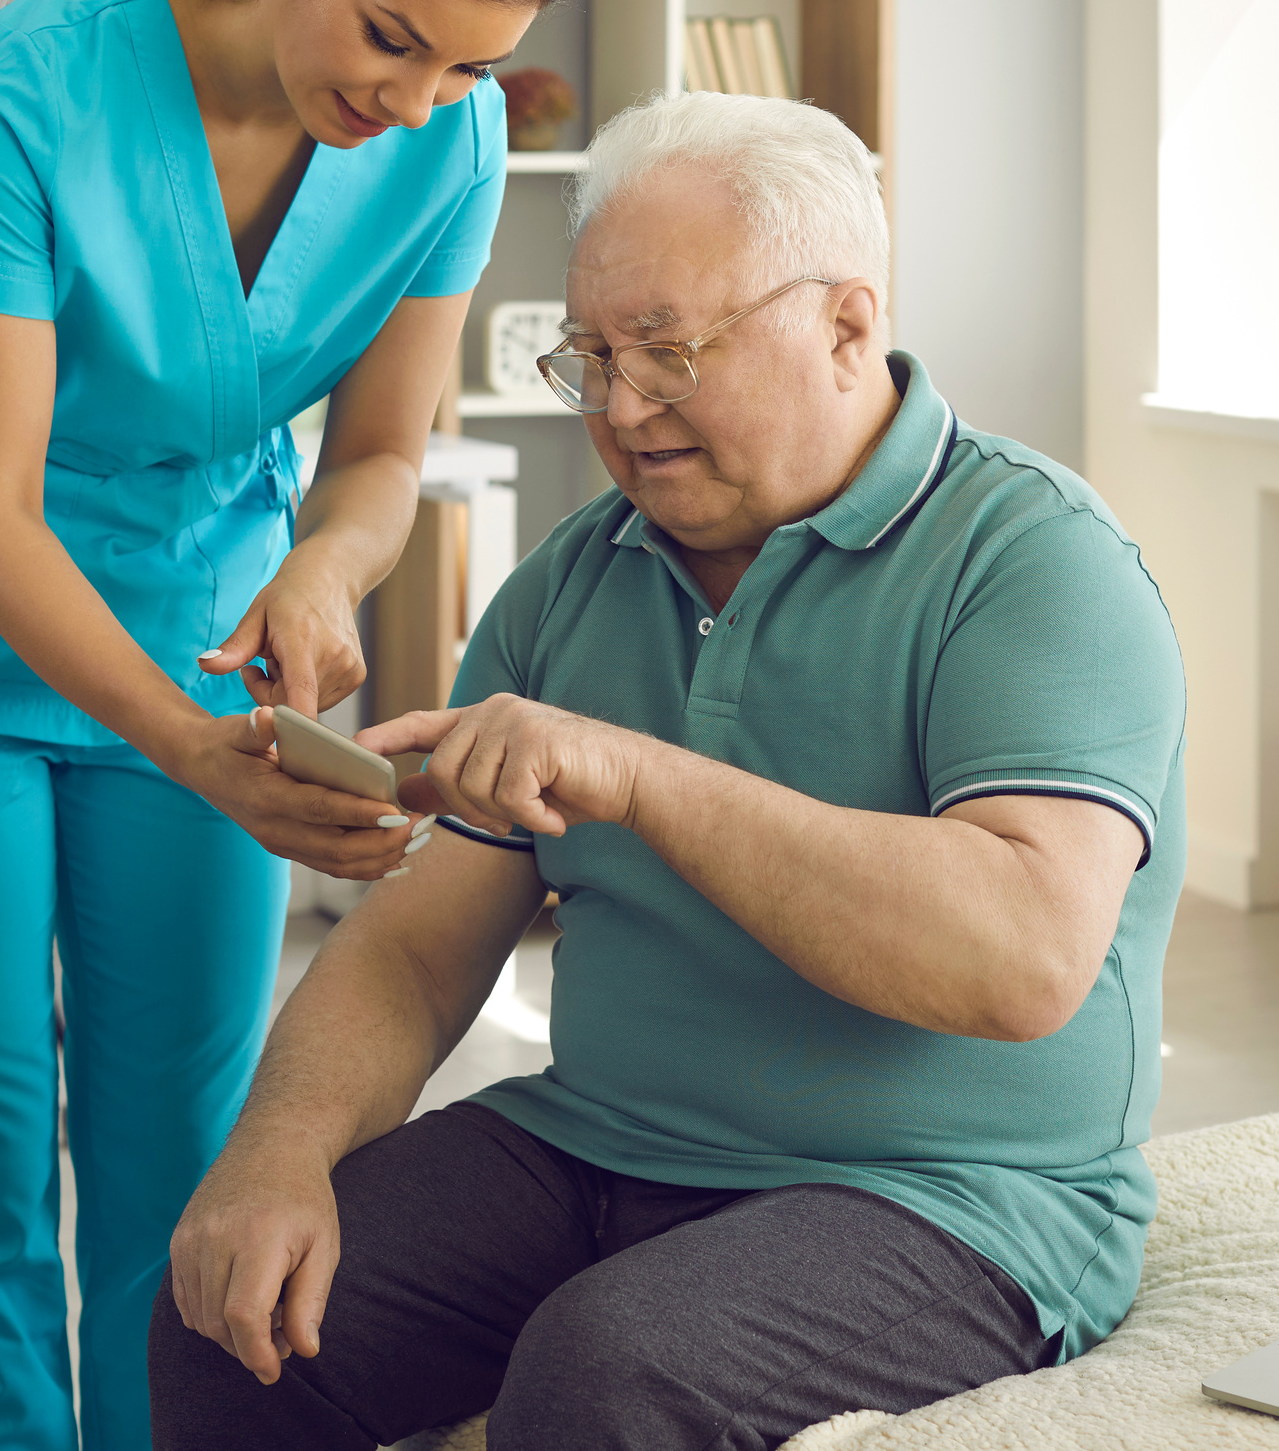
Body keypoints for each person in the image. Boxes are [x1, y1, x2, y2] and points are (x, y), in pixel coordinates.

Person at [146, 92, 1190, 1450]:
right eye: (592, 357)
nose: (623, 409)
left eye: (669, 353)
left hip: (954, 1197)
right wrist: (276, 1154)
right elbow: (414, 951)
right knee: (235, 1316)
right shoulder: (573, 581)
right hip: (600, 1142)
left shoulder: (1033, 561)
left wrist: (635, 776)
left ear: (846, 325)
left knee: (613, 1370)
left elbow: (1020, 958)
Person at [0, 0, 586, 1449]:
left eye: (470, 64)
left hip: (205, 641)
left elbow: (378, 456)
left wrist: (323, 564)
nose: (421, 97)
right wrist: (189, 747)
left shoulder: (444, 140)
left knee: (186, 1163)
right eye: (391, 36)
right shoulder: (36, 81)